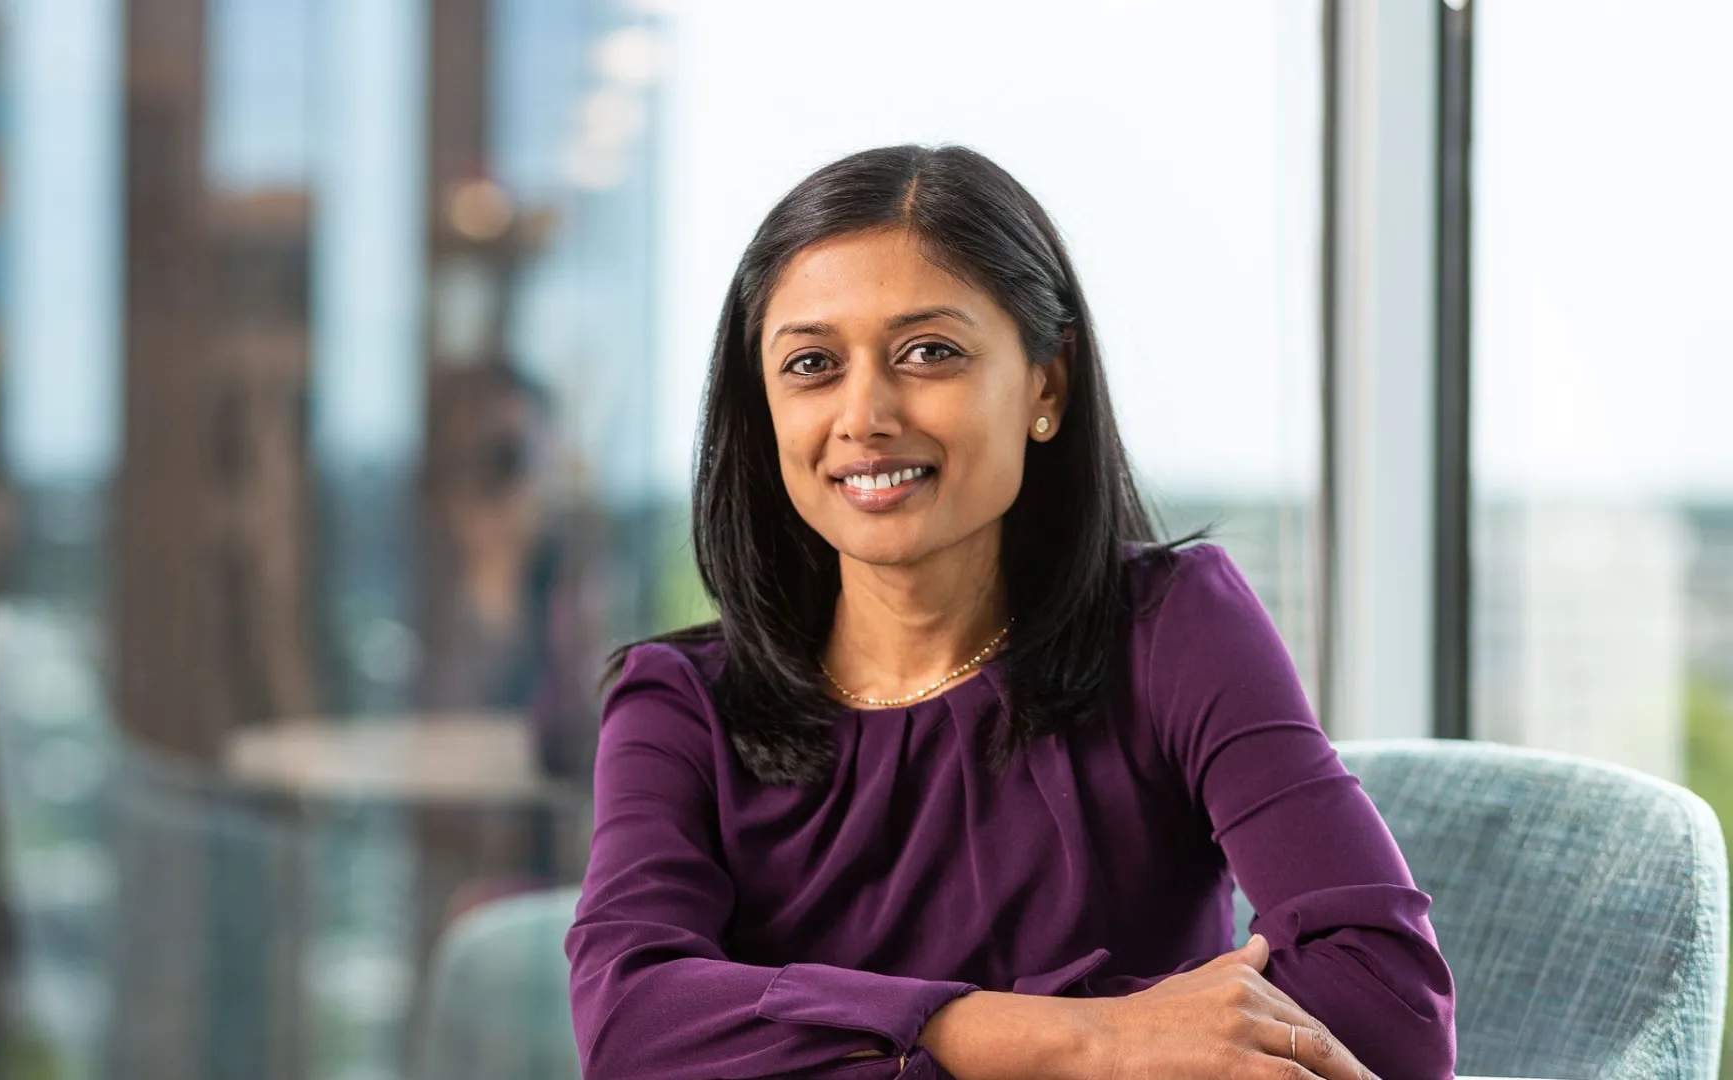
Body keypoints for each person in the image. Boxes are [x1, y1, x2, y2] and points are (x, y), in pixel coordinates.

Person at [564, 145, 1455, 1080]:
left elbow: (1388, 1009)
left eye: (929, 353)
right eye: (813, 364)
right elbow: (632, 1028)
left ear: (1045, 385)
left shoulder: (1175, 624)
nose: (863, 413)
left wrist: (815, 1043)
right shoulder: (677, 703)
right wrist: (1095, 1042)